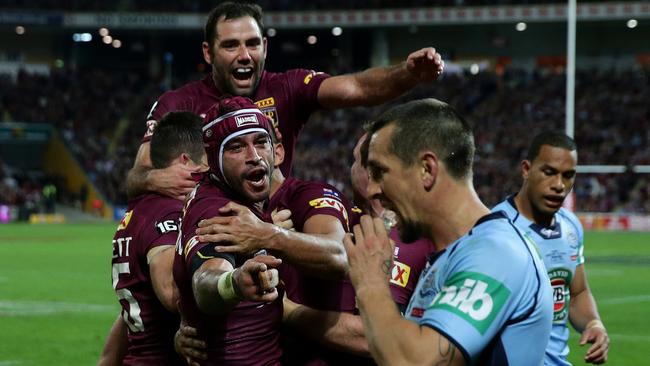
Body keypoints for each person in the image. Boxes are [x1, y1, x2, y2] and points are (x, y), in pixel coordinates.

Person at [126, 1, 445, 201]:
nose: (244, 55)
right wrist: (154, 178)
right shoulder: (179, 102)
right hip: (206, 233)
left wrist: (409, 73)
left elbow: (358, 87)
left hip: (274, 225)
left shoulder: (288, 88)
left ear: (265, 46)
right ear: (208, 52)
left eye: (252, 44)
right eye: (231, 46)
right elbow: (136, 176)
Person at [344, 98, 553, 365]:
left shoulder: (496, 253)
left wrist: (371, 284)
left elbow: (415, 362)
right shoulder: (452, 255)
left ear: (426, 169)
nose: (372, 189)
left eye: (380, 171)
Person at [173, 97, 284, 365]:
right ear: (214, 159)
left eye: (260, 142)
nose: (254, 156)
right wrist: (232, 283)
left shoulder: (244, 199)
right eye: (236, 147)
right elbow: (206, 279)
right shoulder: (217, 211)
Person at [98, 112, 208, 366]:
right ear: (186, 161)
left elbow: (136, 309)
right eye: (206, 160)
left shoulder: (137, 212)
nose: (209, 169)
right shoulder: (168, 212)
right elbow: (171, 292)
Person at [492, 131, 609, 365]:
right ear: (526, 169)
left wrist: (593, 323)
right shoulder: (495, 230)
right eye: (549, 172)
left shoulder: (570, 226)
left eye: (568, 176)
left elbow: (577, 294)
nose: (559, 185)